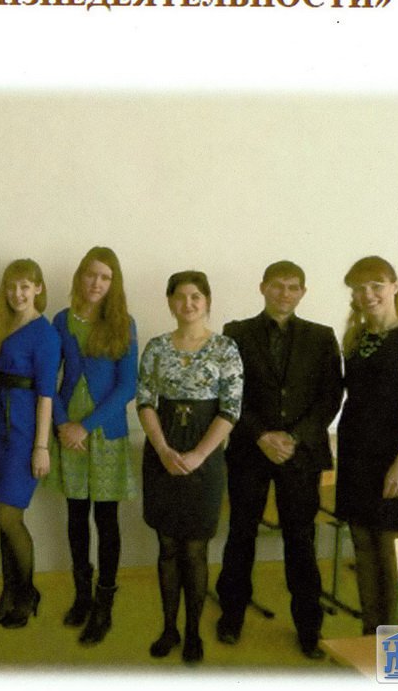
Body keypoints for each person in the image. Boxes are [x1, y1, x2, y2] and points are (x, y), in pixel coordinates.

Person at [214, 261, 342, 659]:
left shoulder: (322, 336)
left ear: (303, 292)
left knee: (300, 540)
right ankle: (231, 614)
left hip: (301, 455)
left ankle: (309, 627)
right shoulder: (236, 333)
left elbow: (330, 397)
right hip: (250, 451)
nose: (284, 293)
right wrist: (261, 435)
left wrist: (293, 437)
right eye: (277, 286)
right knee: (241, 534)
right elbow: (230, 392)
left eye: (292, 287)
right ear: (262, 288)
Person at [136, 270, 243, 664]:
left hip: (205, 458)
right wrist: (163, 449)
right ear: (170, 302)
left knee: (195, 550)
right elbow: (144, 400)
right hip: (161, 454)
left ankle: (194, 631)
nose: (188, 303)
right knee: (167, 546)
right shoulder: (156, 347)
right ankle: (169, 628)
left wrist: (199, 455)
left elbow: (231, 409)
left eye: (196, 296)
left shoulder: (225, 348)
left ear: (207, 301)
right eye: (180, 296)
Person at [51, 247, 138, 646]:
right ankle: (82, 595)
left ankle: (105, 604)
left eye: (105, 277)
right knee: (75, 516)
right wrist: (63, 424)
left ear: (113, 283)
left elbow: (127, 386)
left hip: (105, 432)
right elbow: (49, 379)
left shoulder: (124, 324)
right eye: (91, 274)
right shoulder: (61, 320)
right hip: (69, 432)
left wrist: (84, 427)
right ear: (80, 277)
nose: (97, 283)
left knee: (106, 519)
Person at [335, 256, 398, 634]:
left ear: (395, 285)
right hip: (356, 458)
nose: (367, 294)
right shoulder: (357, 338)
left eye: (376, 285)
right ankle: (371, 639)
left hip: (396, 459)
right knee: (364, 550)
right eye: (359, 288)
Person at [0, 259, 60, 629]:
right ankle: (9, 593)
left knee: (7, 515)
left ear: (38, 288)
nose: (17, 294)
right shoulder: (1, 322)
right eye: (12, 286)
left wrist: (41, 447)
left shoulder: (45, 334)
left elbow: (46, 394)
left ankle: (27, 593)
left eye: (25, 286)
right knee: (3, 512)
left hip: (24, 429)